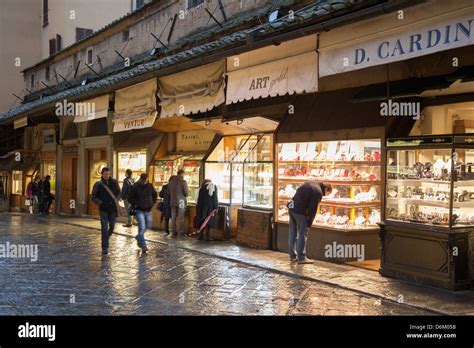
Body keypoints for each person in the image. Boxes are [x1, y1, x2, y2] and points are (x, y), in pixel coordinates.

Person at [288, 181, 332, 264]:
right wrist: (309, 224)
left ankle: (292, 256)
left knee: (292, 233)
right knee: (302, 235)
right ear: (326, 189)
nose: (326, 195)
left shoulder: (309, 183)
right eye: (328, 193)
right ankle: (301, 258)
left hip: (292, 208)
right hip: (300, 212)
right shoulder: (318, 192)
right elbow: (313, 209)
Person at [91, 167, 121, 255]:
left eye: (108, 174)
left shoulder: (114, 182)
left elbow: (119, 192)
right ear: (102, 174)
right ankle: (105, 247)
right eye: (105, 174)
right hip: (103, 209)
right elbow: (93, 196)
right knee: (104, 228)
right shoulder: (98, 184)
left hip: (112, 209)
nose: (107, 176)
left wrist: (117, 198)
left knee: (112, 226)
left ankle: (105, 238)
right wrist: (100, 203)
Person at [128, 173, 157, 252]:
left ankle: (138, 237)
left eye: (146, 180)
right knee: (142, 227)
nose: (144, 182)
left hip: (148, 209)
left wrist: (152, 203)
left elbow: (155, 195)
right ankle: (143, 245)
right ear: (140, 179)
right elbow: (130, 198)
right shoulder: (135, 186)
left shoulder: (150, 186)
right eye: (143, 180)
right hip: (139, 210)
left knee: (148, 225)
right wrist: (137, 204)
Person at [168, 169, 188, 237]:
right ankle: (180, 233)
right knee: (180, 217)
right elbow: (186, 193)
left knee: (173, 217)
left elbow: (168, 192)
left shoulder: (171, 182)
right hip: (181, 201)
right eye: (184, 174)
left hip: (172, 201)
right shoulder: (183, 182)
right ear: (182, 174)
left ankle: (173, 232)